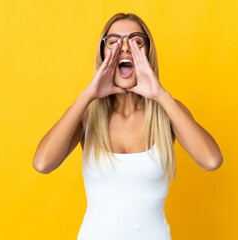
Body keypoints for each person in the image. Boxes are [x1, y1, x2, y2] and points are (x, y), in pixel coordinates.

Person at [32, 12, 223, 240]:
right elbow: (42, 164)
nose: (124, 47)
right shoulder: (87, 114)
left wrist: (160, 95)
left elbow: (212, 161)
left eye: (135, 41)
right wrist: (87, 95)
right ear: (103, 54)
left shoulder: (168, 111)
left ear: (147, 53)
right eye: (113, 42)